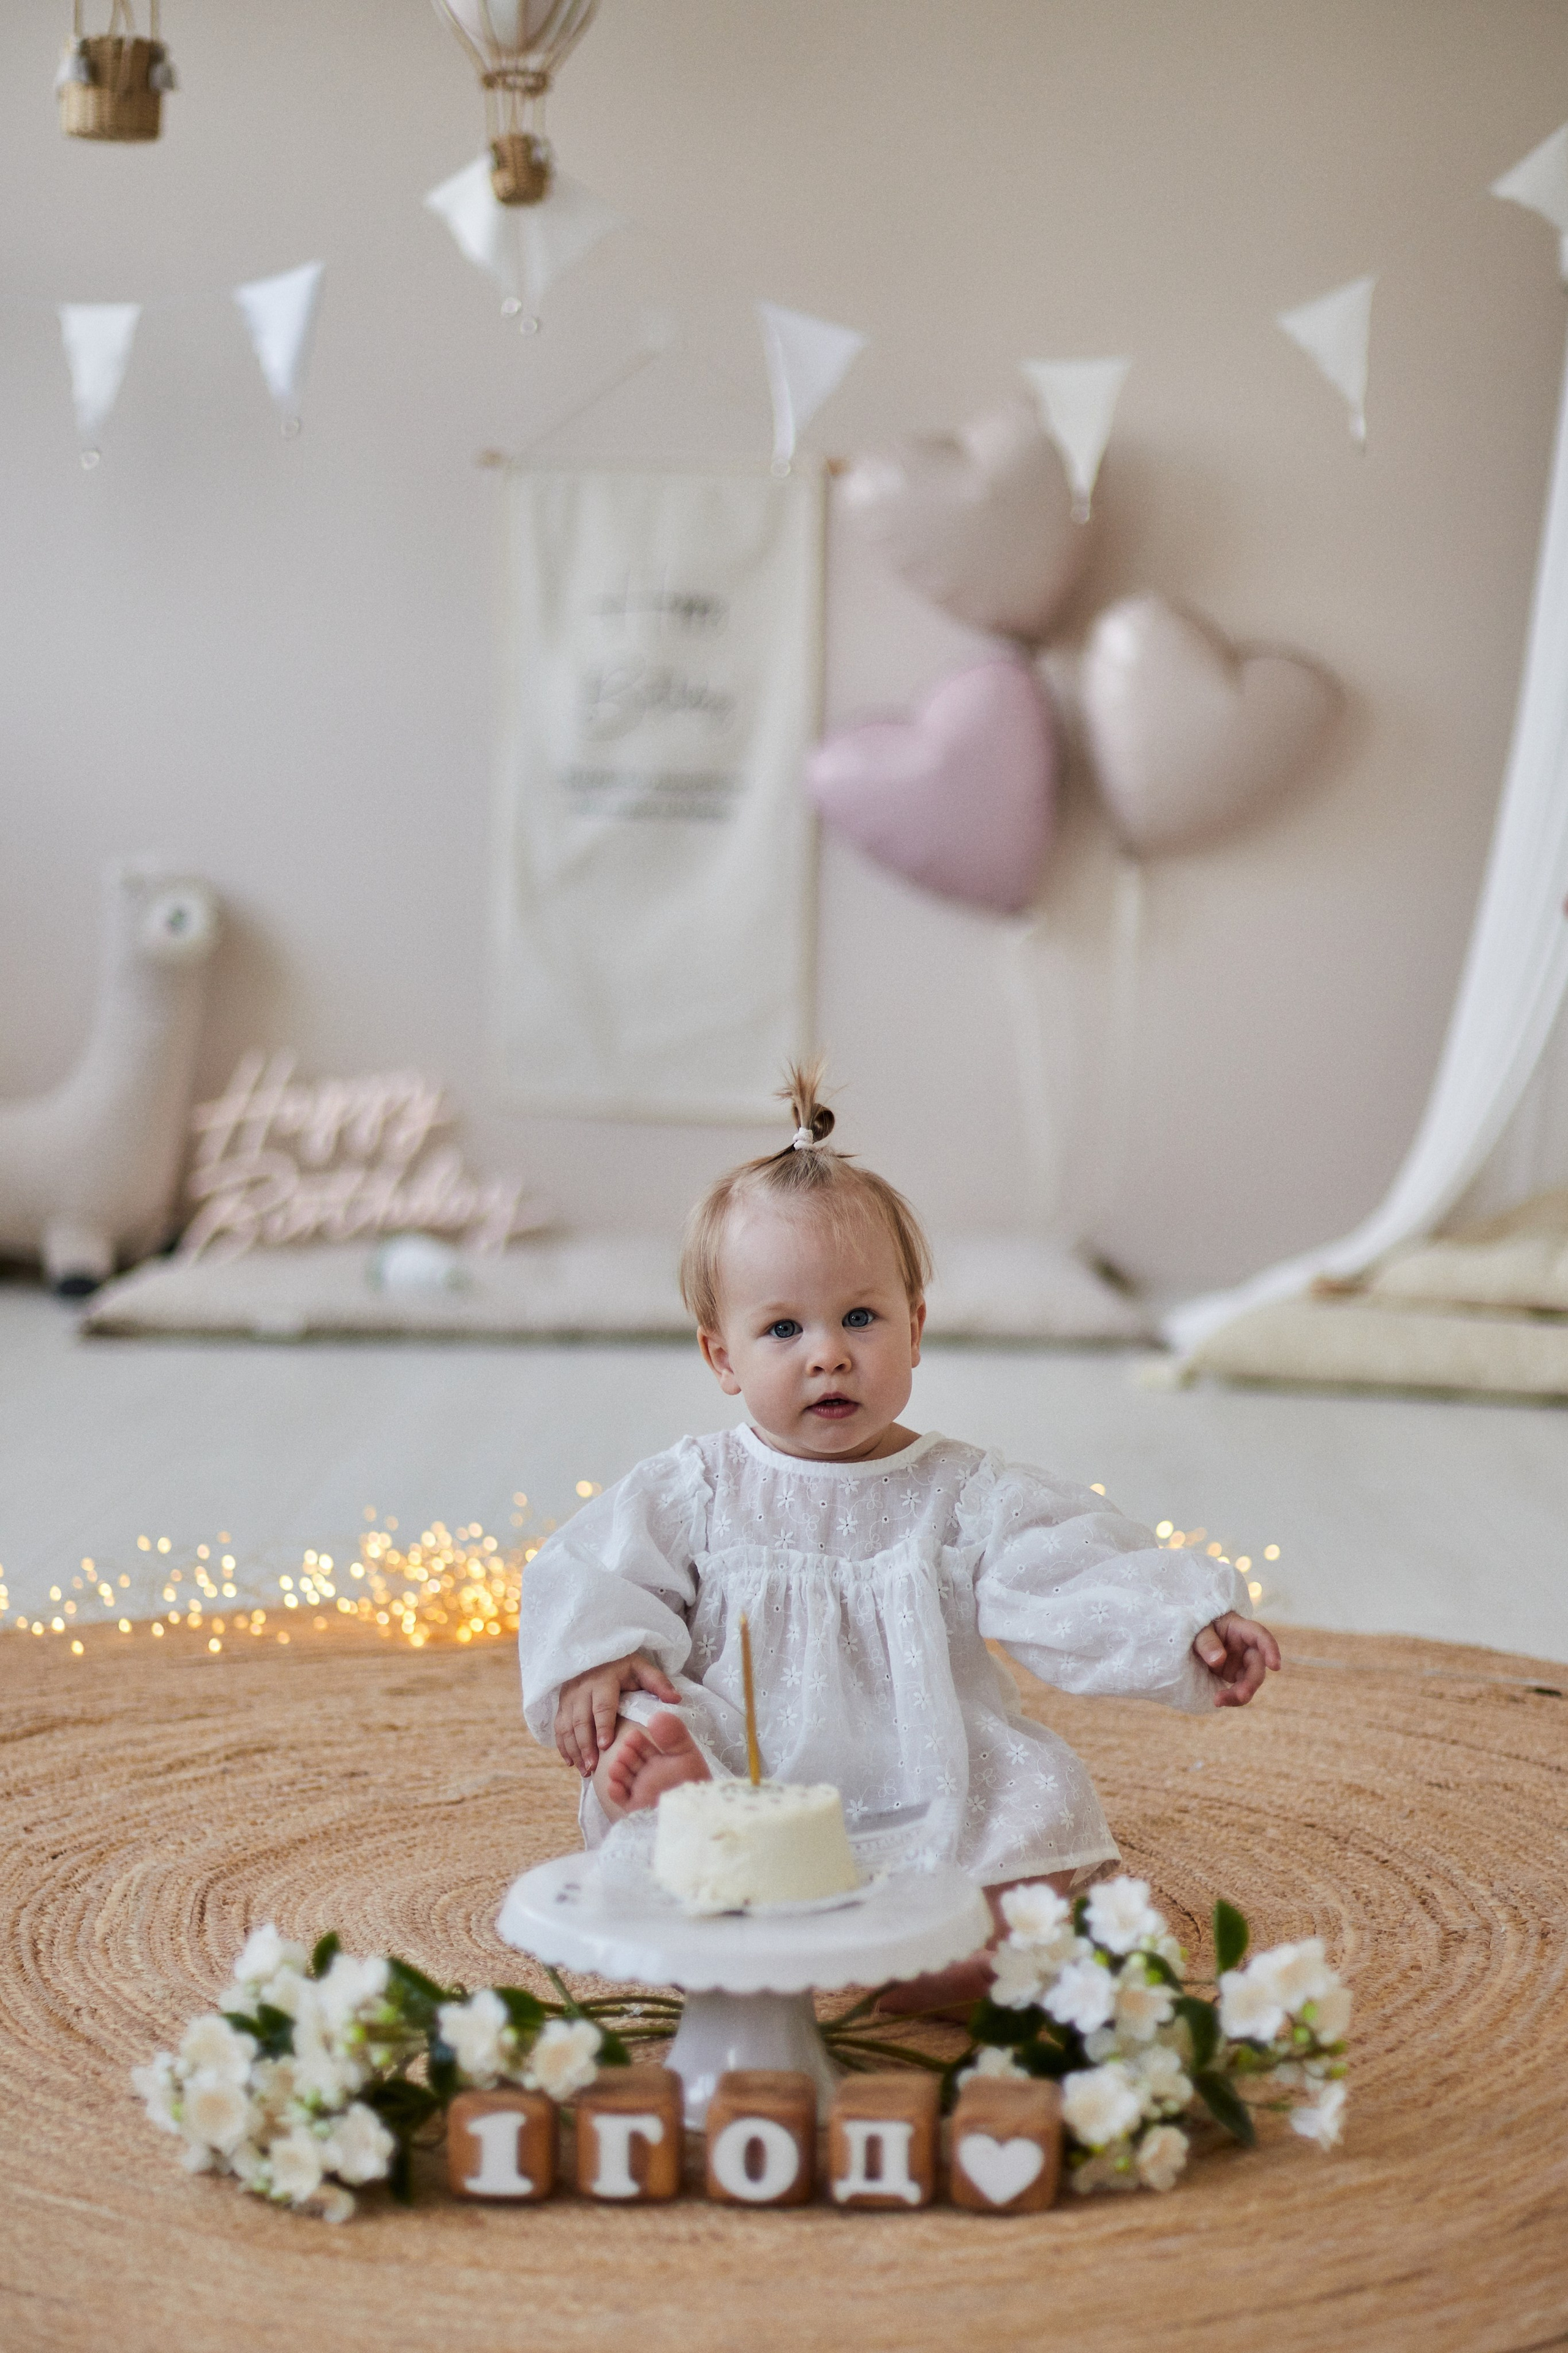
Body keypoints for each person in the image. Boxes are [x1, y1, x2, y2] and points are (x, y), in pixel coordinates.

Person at [519, 1061, 1280, 2003]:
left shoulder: (960, 1494)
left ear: (915, 1329)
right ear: (723, 1355)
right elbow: (593, 1568)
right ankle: (689, 1805)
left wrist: (1181, 1620)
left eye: (861, 1317)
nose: (829, 1351)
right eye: (784, 1327)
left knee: (1033, 1822)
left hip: (932, 1767)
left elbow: (1069, 1570)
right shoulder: (698, 1487)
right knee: (665, 1715)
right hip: (751, 1772)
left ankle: (940, 1948)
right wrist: (601, 1656)